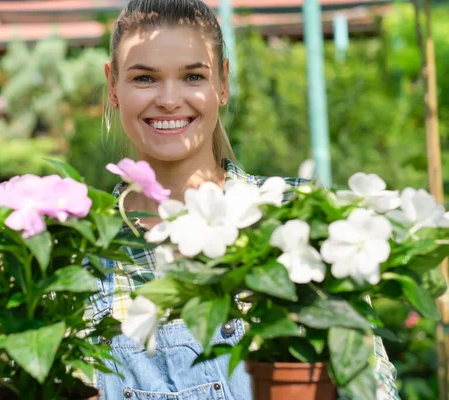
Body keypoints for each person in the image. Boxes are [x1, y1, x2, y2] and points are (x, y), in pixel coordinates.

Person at [87, 0, 401, 399]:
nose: (168, 99)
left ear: (223, 83)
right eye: (145, 78)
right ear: (113, 86)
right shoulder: (79, 246)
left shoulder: (292, 214)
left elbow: (369, 382)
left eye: (192, 76)